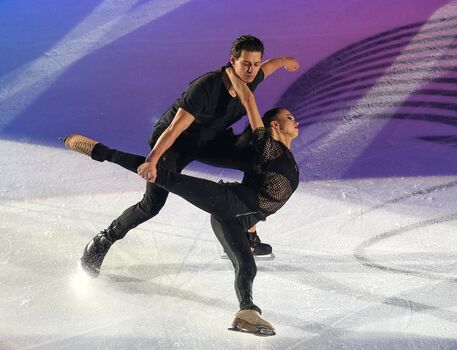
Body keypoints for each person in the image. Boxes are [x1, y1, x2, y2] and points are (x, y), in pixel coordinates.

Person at [64, 66, 300, 335]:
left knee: (246, 265)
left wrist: (252, 236)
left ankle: (246, 312)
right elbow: (248, 100)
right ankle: (101, 153)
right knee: (160, 182)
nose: (296, 120)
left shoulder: (267, 156)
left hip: (237, 217)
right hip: (221, 198)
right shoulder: (265, 145)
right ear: (274, 125)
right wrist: (239, 75)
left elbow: (258, 192)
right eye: (289, 117)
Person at [78, 35, 300, 277]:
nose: (251, 70)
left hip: (208, 141)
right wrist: (152, 160)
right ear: (232, 60)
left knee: (254, 158)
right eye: (246, 64)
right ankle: (102, 241)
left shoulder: (252, 77)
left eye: (255, 64)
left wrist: (283, 60)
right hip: (174, 144)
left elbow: (267, 68)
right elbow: (174, 129)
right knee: (152, 205)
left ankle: (249, 234)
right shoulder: (206, 87)